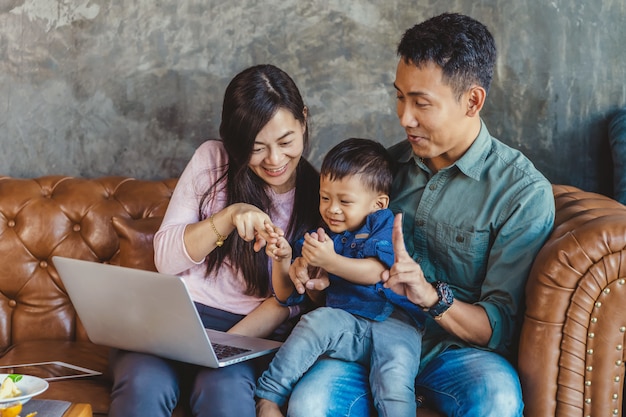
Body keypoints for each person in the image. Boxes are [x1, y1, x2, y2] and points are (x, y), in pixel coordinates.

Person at [285, 13, 556, 417]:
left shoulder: (520, 194)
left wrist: (430, 295)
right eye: (400, 96)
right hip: (368, 340)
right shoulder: (381, 173)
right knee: (309, 403)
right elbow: (338, 262)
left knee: (497, 397)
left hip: (456, 355)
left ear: (473, 101)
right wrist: (313, 274)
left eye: (421, 103)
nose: (404, 117)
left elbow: (495, 327)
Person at [107, 64, 321, 417]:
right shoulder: (213, 160)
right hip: (170, 320)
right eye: (256, 148)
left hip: (244, 333)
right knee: (143, 385)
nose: (275, 160)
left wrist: (216, 351)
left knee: (224, 393)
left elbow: (289, 302)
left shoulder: (318, 196)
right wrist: (229, 216)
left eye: (286, 142)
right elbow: (167, 260)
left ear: (303, 120)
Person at [255, 138, 428, 417]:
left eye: (345, 201)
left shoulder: (382, 223)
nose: (332, 209)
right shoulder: (322, 235)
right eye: (325, 197)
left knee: (394, 383)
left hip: (395, 323)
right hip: (348, 324)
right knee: (315, 321)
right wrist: (301, 269)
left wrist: (332, 261)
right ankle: (268, 396)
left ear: (378, 203)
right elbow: (296, 292)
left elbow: (380, 272)